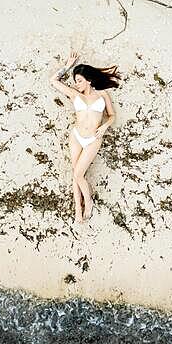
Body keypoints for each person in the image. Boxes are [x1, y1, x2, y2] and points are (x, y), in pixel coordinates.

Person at [49, 50, 120, 223]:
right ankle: (77, 210)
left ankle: (88, 202)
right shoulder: (75, 95)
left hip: (93, 139)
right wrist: (67, 66)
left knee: (79, 174)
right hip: (76, 137)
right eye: (75, 81)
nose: (77, 84)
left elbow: (112, 116)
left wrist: (104, 126)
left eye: (79, 80)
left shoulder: (103, 95)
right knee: (76, 174)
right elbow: (53, 81)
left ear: (88, 80)